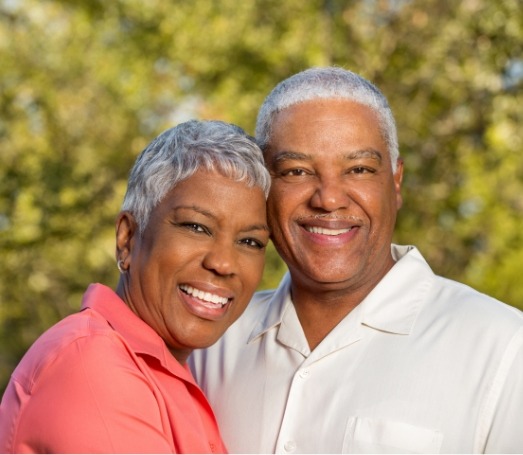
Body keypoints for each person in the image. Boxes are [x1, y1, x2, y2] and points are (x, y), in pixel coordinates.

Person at [189, 67, 523, 453]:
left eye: (359, 169)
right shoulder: (211, 342)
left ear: (396, 183)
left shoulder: (503, 347)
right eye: (296, 171)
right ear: (263, 187)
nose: (329, 198)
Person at [0, 119, 271, 453]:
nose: (224, 263)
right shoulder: (92, 364)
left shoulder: (169, 374)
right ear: (127, 238)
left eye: (250, 241)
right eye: (197, 227)